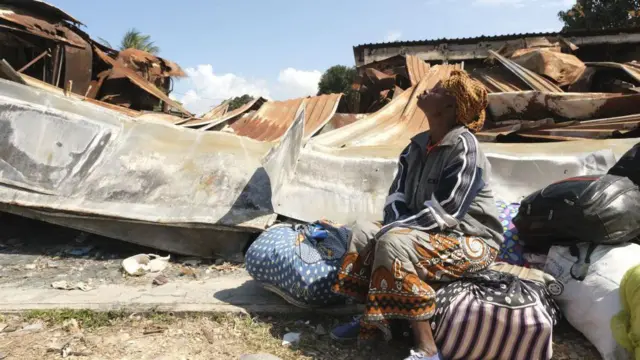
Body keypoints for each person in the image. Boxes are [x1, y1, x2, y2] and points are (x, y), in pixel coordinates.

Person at [330, 70, 504, 360]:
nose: (426, 91)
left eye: (436, 90)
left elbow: (447, 212)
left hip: (472, 242)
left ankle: (427, 348)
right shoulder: (416, 146)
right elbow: (395, 197)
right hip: (426, 233)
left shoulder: (465, 147)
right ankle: (370, 322)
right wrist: (393, 226)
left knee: (393, 241)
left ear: (450, 107)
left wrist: (394, 231)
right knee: (363, 230)